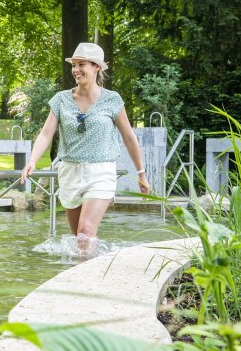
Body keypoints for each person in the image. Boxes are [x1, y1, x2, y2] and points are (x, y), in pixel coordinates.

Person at [20, 42, 150, 255]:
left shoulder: (112, 100)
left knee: (85, 231)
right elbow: (46, 133)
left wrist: (141, 173)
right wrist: (33, 159)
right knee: (78, 240)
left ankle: (86, 283)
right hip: (69, 172)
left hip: (101, 172)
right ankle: (90, 271)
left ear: (96, 67)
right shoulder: (61, 99)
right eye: (74, 65)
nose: (75, 70)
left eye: (81, 64)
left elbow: (128, 137)